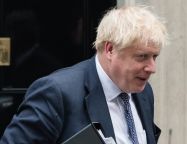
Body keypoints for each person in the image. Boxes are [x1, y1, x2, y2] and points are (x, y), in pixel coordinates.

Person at [0, 5, 169, 144]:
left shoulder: (144, 93)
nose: (152, 67)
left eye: (154, 57)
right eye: (142, 57)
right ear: (110, 50)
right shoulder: (57, 93)